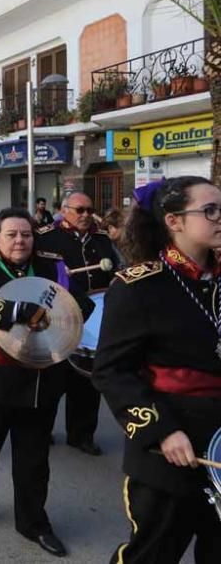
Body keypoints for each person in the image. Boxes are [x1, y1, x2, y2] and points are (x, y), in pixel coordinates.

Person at [0, 208, 93, 557]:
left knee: (34, 458)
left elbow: (80, 305)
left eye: (26, 234)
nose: (19, 240)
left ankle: (33, 523)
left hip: (39, 381)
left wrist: (64, 319)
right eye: (11, 234)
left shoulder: (51, 266)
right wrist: (17, 312)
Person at [93, 177, 221, 563]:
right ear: (174, 221)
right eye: (210, 210)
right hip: (170, 448)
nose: (220, 218)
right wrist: (161, 431)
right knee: (152, 554)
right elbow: (112, 372)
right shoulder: (137, 286)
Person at [36, 191, 118, 456]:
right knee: (53, 378)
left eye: (88, 210)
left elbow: (114, 271)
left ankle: (81, 434)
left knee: (87, 378)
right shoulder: (46, 236)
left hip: (94, 315)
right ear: (64, 209)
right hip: (59, 316)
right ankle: (42, 429)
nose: (85, 215)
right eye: (79, 210)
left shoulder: (101, 238)